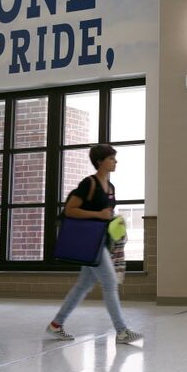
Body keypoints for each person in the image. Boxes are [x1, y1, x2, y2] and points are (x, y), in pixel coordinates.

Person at [45, 145, 142, 345]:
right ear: (100, 161)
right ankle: (122, 331)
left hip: (101, 241)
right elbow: (70, 210)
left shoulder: (111, 187)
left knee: (82, 286)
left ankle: (56, 325)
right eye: (112, 158)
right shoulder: (88, 183)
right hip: (89, 243)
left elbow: (106, 213)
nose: (116, 162)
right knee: (110, 283)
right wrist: (98, 215)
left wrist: (115, 221)